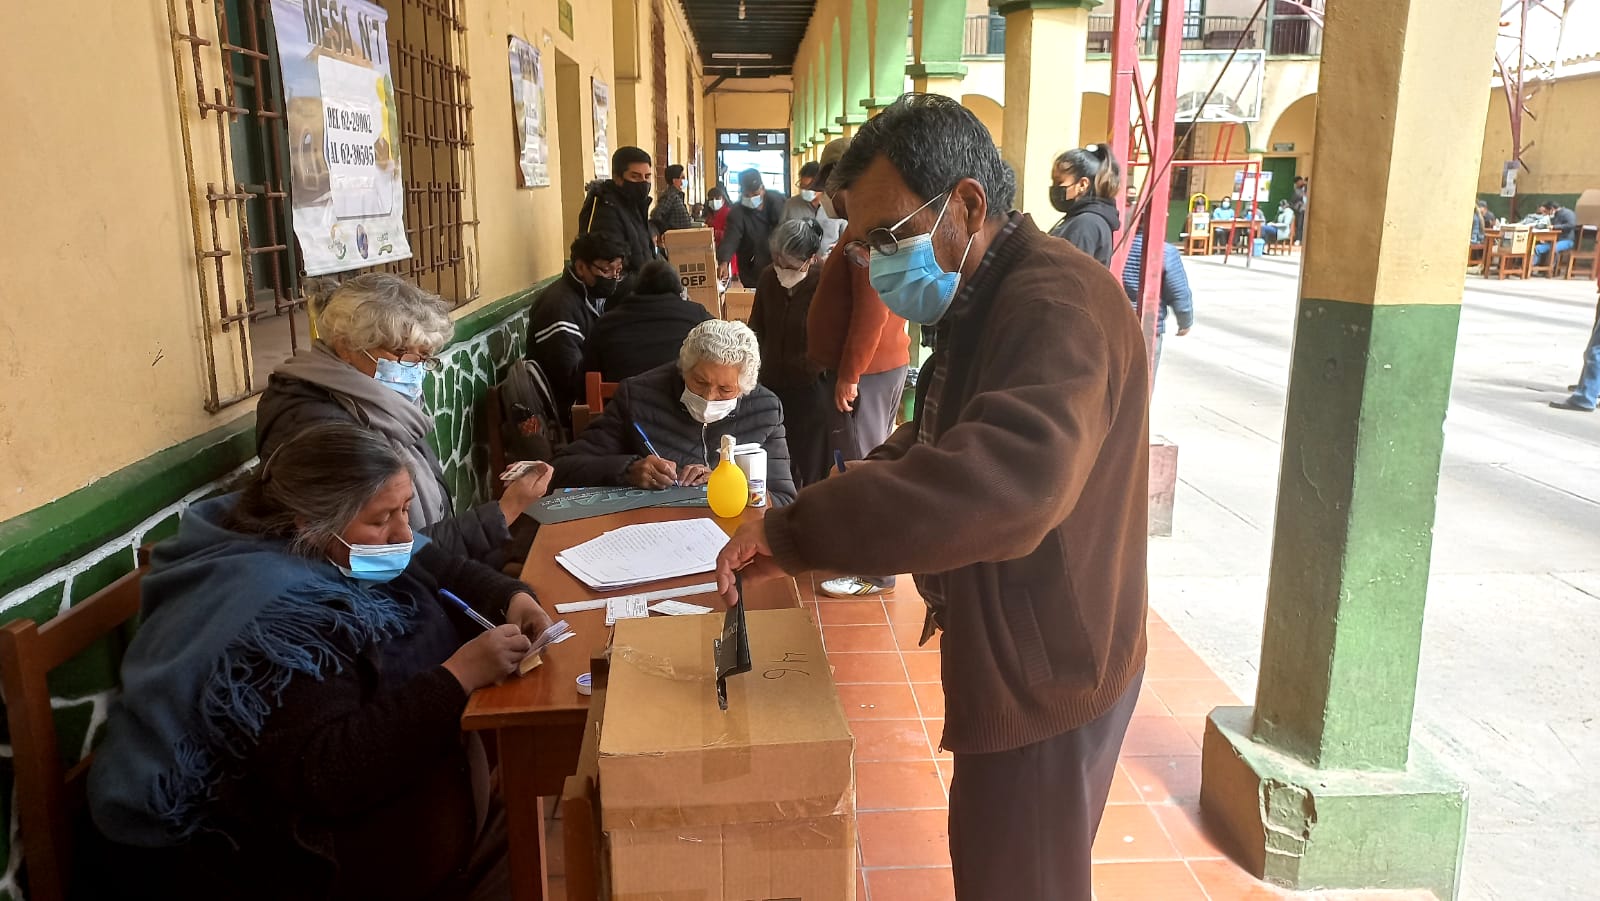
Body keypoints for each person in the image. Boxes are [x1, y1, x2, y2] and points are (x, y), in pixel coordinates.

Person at [714, 94, 1149, 901]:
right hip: (1021, 642)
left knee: (1019, 880)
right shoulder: (987, 295)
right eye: (862, 243)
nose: (874, 260)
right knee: (997, 862)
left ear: (967, 206)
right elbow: (936, 432)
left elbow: (1004, 483)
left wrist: (799, 530)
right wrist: (802, 527)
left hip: (1049, 664)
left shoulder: (1056, 305)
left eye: (888, 235)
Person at [88, 422, 553, 901]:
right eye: (383, 518)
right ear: (310, 523)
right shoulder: (279, 620)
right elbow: (325, 772)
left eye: (406, 508)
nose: (403, 532)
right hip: (253, 858)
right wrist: (457, 677)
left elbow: (447, 568)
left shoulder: (341, 541)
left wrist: (513, 598)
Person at [256, 274, 552, 566]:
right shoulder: (320, 430)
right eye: (400, 352)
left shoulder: (389, 405)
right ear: (347, 347)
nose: (414, 368)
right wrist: (504, 510)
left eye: (424, 356)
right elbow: (386, 555)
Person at [805, 135, 912, 598]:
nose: (823, 197)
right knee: (862, 460)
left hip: (867, 372)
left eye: (827, 186)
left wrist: (849, 375)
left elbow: (871, 313)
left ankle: (875, 568)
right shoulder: (858, 228)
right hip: (874, 368)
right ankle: (859, 552)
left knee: (862, 465)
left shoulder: (864, 234)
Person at [553, 320, 796, 505]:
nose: (709, 396)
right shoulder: (638, 397)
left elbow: (783, 499)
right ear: (684, 369)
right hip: (653, 530)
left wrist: (728, 483)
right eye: (699, 382)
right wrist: (628, 469)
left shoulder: (764, 409)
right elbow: (562, 469)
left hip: (734, 536)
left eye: (725, 389)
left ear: (744, 388)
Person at [748, 219, 829, 487]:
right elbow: (756, 328)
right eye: (777, 261)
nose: (782, 270)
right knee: (777, 462)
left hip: (812, 387)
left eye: (790, 265)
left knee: (811, 463)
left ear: (810, 259)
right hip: (771, 385)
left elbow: (835, 333)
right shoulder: (768, 278)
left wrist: (814, 367)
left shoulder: (825, 281)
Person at [527, 233, 627, 427]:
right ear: (581, 267)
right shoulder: (558, 308)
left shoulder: (588, 296)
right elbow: (570, 378)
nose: (614, 278)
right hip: (568, 411)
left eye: (618, 271)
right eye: (607, 270)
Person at [582, 260, 713, 383]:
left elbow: (584, 380)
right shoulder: (697, 316)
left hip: (622, 399)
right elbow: (722, 349)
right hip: (678, 399)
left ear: (636, 290)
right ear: (678, 291)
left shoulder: (606, 324)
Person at [578, 146, 657, 291]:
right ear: (617, 178)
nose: (643, 182)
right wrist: (652, 286)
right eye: (635, 176)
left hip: (643, 291)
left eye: (647, 177)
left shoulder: (635, 207)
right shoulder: (607, 211)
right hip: (625, 297)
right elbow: (610, 270)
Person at [1121, 232, 1195, 379]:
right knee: (1143, 382)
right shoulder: (1165, 251)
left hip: (1115, 325)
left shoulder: (1117, 246)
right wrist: (1185, 322)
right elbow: (1178, 291)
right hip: (1148, 327)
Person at [1047, 143, 1123, 266]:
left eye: (1059, 182)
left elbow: (1067, 273)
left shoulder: (1085, 224)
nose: (1054, 188)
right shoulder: (1086, 219)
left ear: (1082, 185)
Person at [717, 169, 787, 287]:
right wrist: (724, 261)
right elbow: (731, 238)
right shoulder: (737, 212)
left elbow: (787, 230)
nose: (751, 198)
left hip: (781, 264)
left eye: (755, 194)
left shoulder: (779, 203)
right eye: (746, 195)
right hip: (751, 268)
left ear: (763, 189)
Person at [650, 163, 694, 236]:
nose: (685, 180)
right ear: (674, 180)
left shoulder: (678, 196)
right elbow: (656, 215)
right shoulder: (670, 195)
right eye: (682, 178)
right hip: (675, 238)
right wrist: (668, 230)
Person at [1534, 200, 1578, 269]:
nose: (1546, 214)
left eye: (1546, 211)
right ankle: (1534, 268)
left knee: (1553, 249)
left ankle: (1551, 270)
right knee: (1537, 248)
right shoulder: (1555, 216)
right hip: (1554, 240)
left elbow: (1571, 225)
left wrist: (1555, 227)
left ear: (1552, 209)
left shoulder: (1568, 213)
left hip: (1567, 240)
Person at [1291, 176, 1309, 244]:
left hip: (1308, 209)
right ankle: (1298, 239)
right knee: (1299, 224)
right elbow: (1294, 200)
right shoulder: (1298, 190)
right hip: (1301, 209)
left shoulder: (1307, 189)